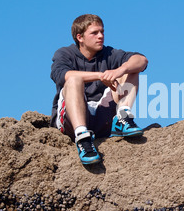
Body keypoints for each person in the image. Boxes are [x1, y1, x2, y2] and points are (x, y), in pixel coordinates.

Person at [50, 14, 148, 165]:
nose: (100, 36)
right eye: (94, 33)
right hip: (72, 121)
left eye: (102, 32)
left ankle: (123, 117)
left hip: (103, 119)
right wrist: (101, 76)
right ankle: (82, 138)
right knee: (73, 80)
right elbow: (61, 75)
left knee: (130, 69)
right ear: (80, 37)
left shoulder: (109, 53)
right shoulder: (65, 54)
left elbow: (142, 60)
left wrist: (121, 70)